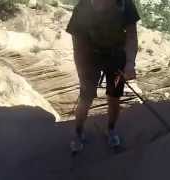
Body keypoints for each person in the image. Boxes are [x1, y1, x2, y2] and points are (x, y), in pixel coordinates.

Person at [66, 0, 140, 152]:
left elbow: (131, 36)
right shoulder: (82, 8)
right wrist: (82, 73)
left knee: (114, 96)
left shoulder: (125, 4)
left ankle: (111, 129)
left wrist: (130, 63)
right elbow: (77, 45)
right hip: (90, 58)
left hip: (116, 59)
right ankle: (78, 132)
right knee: (86, 98)